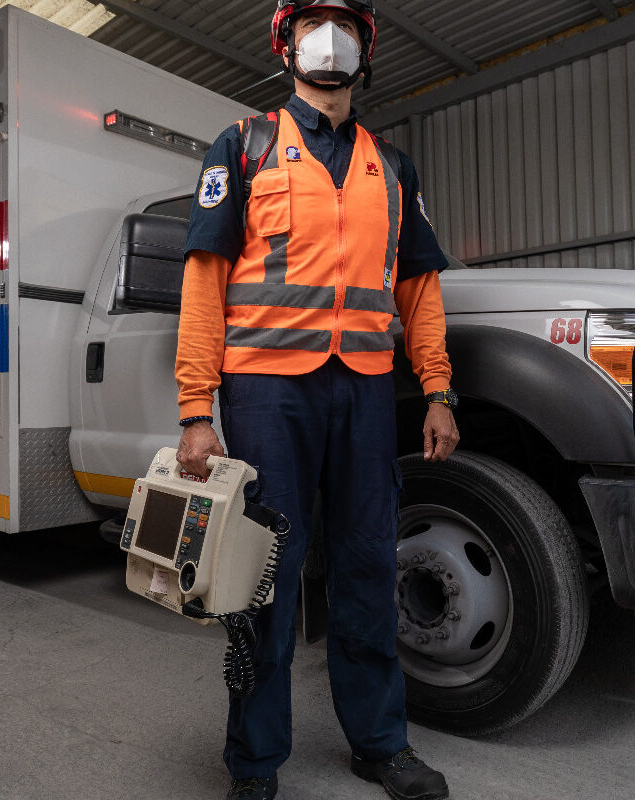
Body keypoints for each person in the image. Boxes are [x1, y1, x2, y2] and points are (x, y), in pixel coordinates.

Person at [173, 2, 459, 799]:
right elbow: (204, 281)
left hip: (364, 388)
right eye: (312, 22)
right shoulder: (246, 145)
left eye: (345, 24)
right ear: (285, 43)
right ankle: (255, 760)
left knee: (367, 564)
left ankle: (380, 742)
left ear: (366, 48)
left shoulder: (391, 166)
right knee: (265, 574)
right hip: (267, 392)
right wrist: (197, 409)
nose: (329, 38)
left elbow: (419, 288)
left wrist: (437, 388)